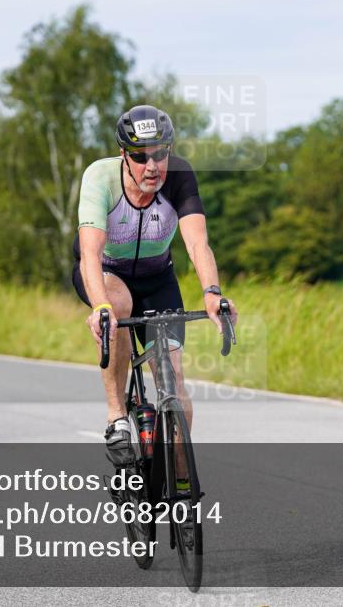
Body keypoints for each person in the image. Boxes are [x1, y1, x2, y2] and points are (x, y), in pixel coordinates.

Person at [72, 105, 238, 474]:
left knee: (174, 380)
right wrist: (99, 306)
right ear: (123, 155)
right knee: (117, 305)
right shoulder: (100, 177)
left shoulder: (179, 176)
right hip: (105, 272)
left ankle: (178, 482)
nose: (152, 166)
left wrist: (213, 293)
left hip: (157, 278)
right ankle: (117, 417)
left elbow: (197, 243)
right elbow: (90, 253)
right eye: (140, 156)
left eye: (160, 154)